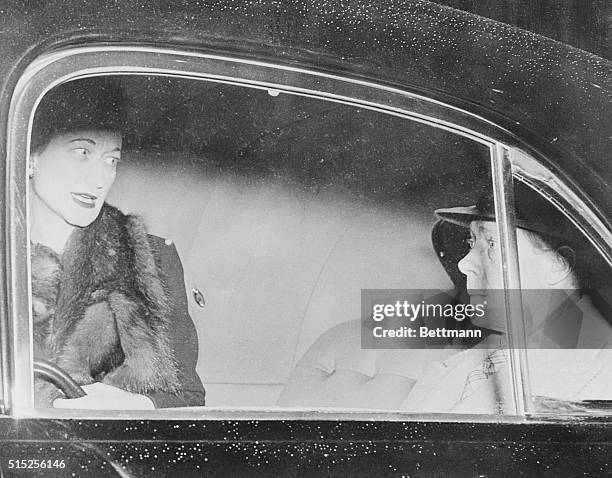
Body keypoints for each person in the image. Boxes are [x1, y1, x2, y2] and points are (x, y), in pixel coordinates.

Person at [29, 77, 206, 409]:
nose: (99, 179)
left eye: (112, 160)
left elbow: (187, 397)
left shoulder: (151, 259)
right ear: (32, 154)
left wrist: (131, 405)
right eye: (82, 152)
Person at [400, 186, 612, 413]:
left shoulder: (596, 376)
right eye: (472, 243)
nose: (464, 264)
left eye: (492, 243)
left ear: (558, 265)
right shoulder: (478, 358)